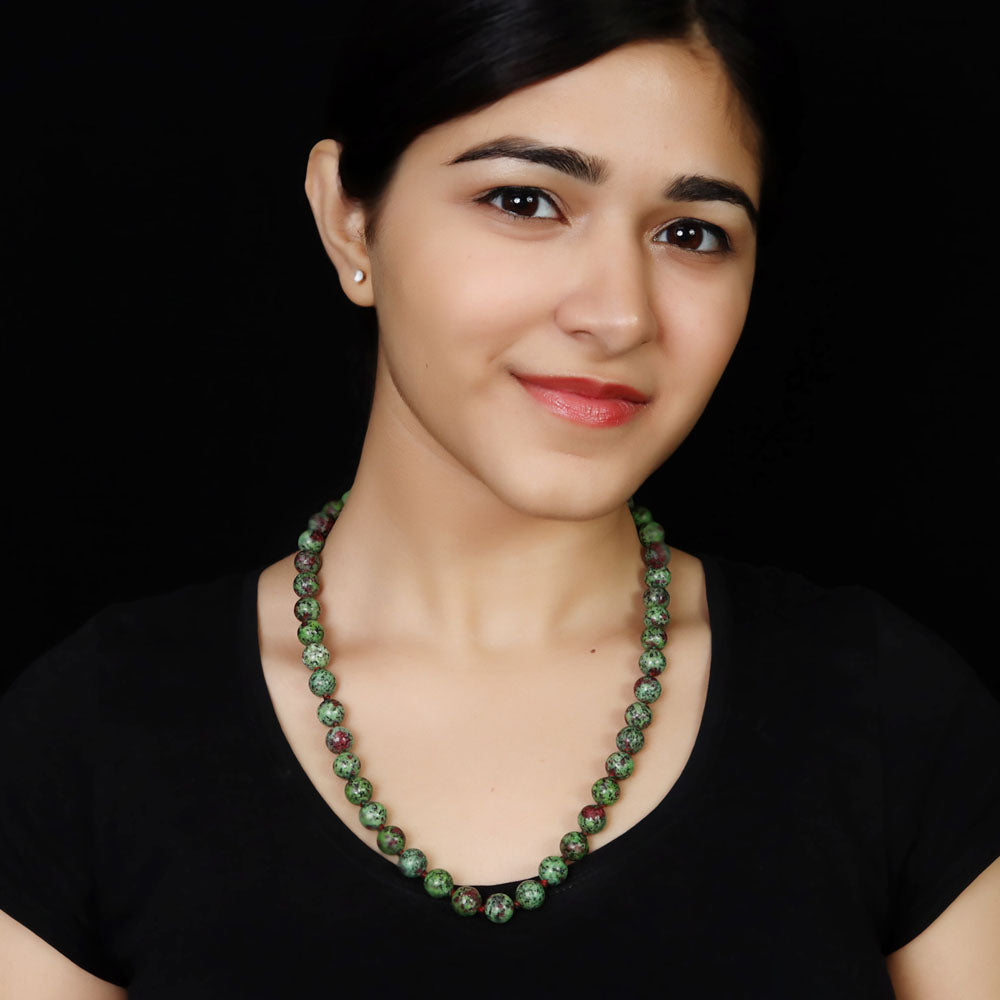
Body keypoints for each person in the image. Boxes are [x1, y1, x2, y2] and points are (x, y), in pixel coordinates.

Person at [1, 1, 998, 996]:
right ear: (348, 216)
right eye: (525, 201)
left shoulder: (889, 713)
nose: (617, 313)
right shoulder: (91, 735)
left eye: (691, 232)